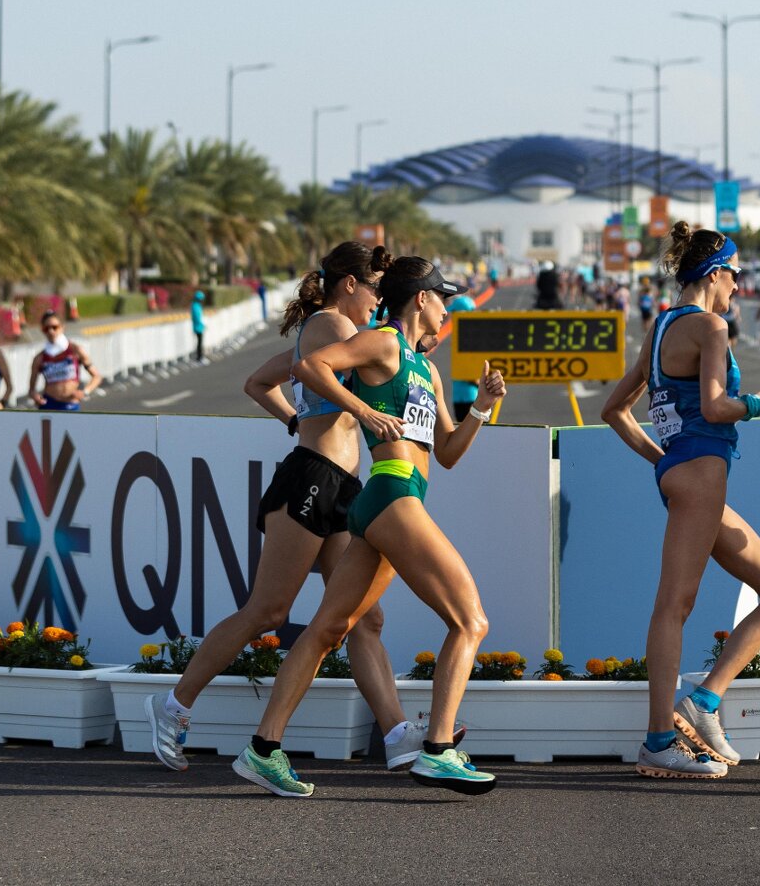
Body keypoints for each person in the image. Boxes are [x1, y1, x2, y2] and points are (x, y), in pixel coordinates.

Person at [147, 243, 457, 774]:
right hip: (313, 478)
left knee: (362, 619)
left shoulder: (345, 332)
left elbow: (260, 381)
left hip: (345, 487)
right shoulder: (333, 326)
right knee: (267, 611)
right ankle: (172, 706)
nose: (381, 300)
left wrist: (297, 417)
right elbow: (289, 375)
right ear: (350, 285)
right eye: (376, 288)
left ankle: (398, 733)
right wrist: (326, 420)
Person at [234, 257, 505, 798]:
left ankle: (262, 750)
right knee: (470, 621)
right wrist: (366, 412)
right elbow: (312, 367)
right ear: (421, 300)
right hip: (392, 494)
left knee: (329, 630)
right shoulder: (382, 342)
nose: (448, 307)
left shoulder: (427, 369)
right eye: (443, 298)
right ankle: (437, 749)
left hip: (389, 501)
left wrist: (481, 409)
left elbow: (447, 454)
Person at [598, 223, 760, 780]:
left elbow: (615, 410)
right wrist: (755, 404)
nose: (738, 286)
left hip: (686, 474)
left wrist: (662, 460)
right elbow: (714, 407)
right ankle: (659, 740)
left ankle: (703, 704)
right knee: (674, 606)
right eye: (735, 275)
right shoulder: (711, 326)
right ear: (715, 274)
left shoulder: (659, 328)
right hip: (700, 475)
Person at [28, 312, 102, 409]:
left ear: (62, 327)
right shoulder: (39, 358)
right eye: (46, 328)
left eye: (54, 327)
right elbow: (31, 390)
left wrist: (85, 392)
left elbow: (97, 377)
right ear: (42, 330)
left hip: (70, 404)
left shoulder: (76, 350)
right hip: (49, 404)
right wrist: (35, 396)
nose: (51, 331)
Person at [446, 288, 480, 422]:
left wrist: (479, 384)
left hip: (470, 397)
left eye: (454, 313)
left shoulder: (466, 338)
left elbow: (468, 368)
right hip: (463, 396)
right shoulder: (463, 336)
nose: (451, 316)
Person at [190, 289, 208, 364]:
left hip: (198, 327)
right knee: (199, 343)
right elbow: (197, 317)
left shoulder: (195, 305)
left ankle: (200, 357)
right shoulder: (195, 306)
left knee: (200, 343)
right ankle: (199, 358)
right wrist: (202, 325)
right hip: (198, 327)